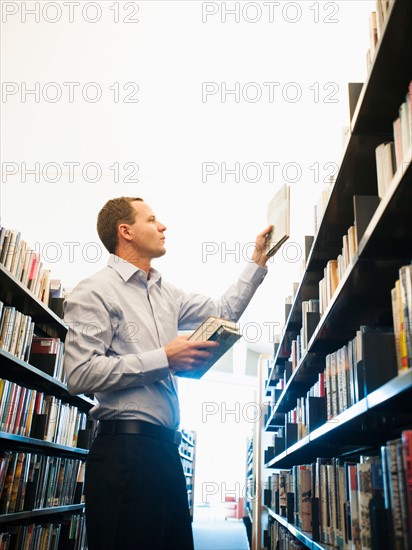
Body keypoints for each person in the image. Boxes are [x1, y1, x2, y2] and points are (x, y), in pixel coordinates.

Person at [63, 196, 272, 550]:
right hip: (124, 453)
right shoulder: (93, 291)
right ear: (125, 231)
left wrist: (257, 261)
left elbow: (222, 311)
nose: (163, 226)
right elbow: (80, 374)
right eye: (152, 219)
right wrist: (165, 358)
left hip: (165, 453)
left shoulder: (167, 293)